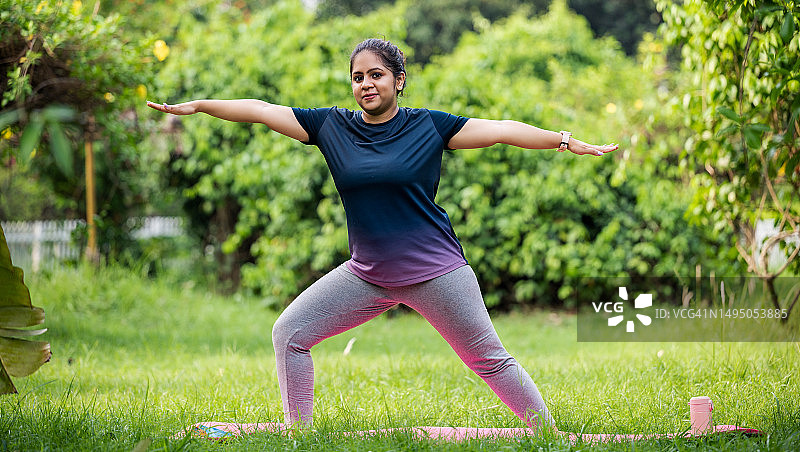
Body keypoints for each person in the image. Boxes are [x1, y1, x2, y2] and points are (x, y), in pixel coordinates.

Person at [148, 38, 618, 432]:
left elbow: (499, 130)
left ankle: (546, 435)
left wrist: (561, 139)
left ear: (398, 80)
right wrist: (201, 106)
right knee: (289, 333)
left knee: (489, 360)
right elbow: (261, 110)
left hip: (436, 271)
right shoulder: (331, 126)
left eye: (376, 75)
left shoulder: (429, 127)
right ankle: (299, 434)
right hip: (367, 273)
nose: (366, 84)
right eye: (358, 77)